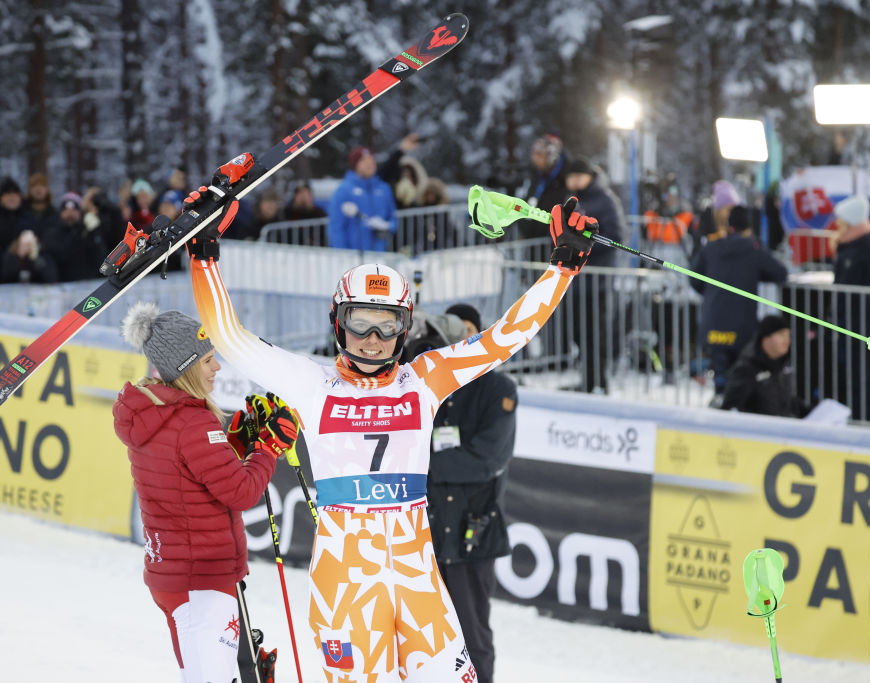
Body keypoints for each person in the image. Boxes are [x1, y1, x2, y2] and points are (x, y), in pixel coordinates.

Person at [188, 196, 599, 681]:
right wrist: (203, 256)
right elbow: (229, 336)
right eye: (360, 322)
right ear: (338, 322)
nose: (372, 339)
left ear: (406, 328)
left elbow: (501, 340)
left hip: (417, 578)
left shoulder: (423, 378)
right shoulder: (312, 383)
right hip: (347, 585)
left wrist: (562, 270)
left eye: (387, 324)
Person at [113, 301, 293, 683]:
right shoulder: (192, 422)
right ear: (187, 366)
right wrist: (266, 448)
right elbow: (241, 492)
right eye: (208, 360)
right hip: (202, 582)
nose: (217, 368)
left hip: (176, 576)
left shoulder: (153, 411)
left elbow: (188, 472)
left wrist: (237, 445)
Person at [422, 303, 517, 683]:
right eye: (451, 332)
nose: (459, 339)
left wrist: (426, 463)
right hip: (427, 533)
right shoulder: (430, 382)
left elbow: (487, 459)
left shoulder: (498, 389)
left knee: (472, 636)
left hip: (473, 534)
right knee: (424, 636)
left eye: (467, 331)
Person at [690, 204, 787, 400]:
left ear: (729, 226)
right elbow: (780, 272)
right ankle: (733, 403)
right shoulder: (753, 249)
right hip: (741, 325)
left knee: (720, 369)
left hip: (713, 321)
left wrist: (709, 293)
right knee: (739, 370)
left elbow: (693, 278)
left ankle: (721, 396)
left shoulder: (712, 248)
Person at [562, 158, 628, 393]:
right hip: (574, 279)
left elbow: (616, 236)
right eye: (571, 177)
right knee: (579, 332)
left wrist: (584, 245)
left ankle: (598, 381)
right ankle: (588, 380)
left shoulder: (605, 199)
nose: (574, 181)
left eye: (578, 176)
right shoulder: (572, 200)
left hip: (597, 281)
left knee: (595, 333)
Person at [829, 194, 870, 421]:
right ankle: (864, 408)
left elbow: (846, 284)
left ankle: (865, 410)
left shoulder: (857, 248)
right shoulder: (855, 244)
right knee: (859, 363)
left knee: (860, 365)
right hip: (856, 315)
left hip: (856, 317)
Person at [721, 315, 809, 418]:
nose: (787, 341)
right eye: (781, 335)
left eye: (788, 335)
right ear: (766, 338)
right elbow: (730, 408)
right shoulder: (747, 369)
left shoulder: (783, 366)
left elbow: (787, 402)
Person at [326, 146, 397, 251]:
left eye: (371, 159)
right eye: (364, 160)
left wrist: (387, 227)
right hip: (354, 257)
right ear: (355, 165)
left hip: (379, 254)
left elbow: (393, 218)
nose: (370, 163)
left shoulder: (384, 188)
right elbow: (336, 226)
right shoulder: (344, 190)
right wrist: (342, 254)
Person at [516, 133, 570, 246]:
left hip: (552, 244)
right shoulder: (535, 176)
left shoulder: (565, 179)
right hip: (533, 243)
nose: (534, 158)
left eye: (539, 155)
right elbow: (528, 202)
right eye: (534, 154)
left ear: (550, 156)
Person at [41, 192, 107, 282]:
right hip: (62, 285)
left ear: (80, 212)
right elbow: (61, 255)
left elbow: (101, 262)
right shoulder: (52, 231)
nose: (70, 214)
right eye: (66, 210)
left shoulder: (88, 230)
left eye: (74, 210)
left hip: (88, 284)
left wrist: (94, 232)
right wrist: (78, 232)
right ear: (60, 212)